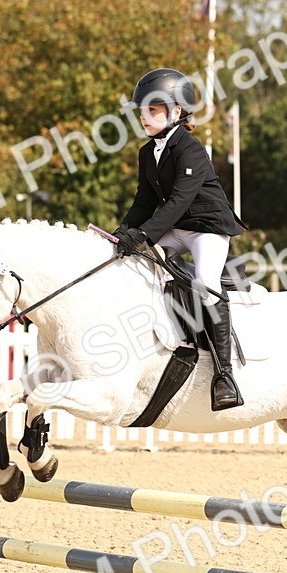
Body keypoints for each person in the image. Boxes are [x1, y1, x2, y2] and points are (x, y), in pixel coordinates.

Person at [115, 68, 247, 411]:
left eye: (152, 110)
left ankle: (224, 375)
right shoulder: (148, 152)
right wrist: (124, 231)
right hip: (176, 227)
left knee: (205, 284)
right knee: (131, 265)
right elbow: (144, 200)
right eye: (142, 110)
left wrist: (145, 234)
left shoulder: (191, 149)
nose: (144, 117)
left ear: (176, 112)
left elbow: (178, 202)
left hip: (207, 227)